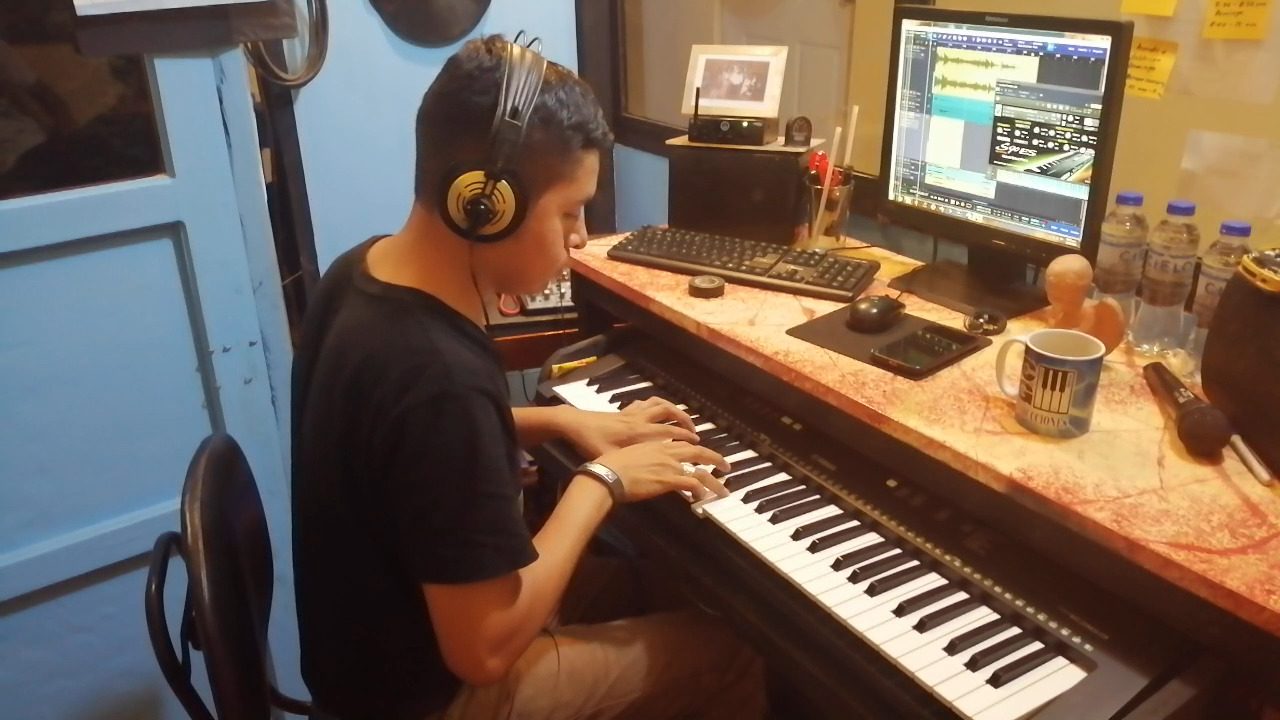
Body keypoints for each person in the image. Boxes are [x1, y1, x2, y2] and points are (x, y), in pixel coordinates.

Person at [290, 34, 768, 720]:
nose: (580, 238)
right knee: (729, 652)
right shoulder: (438, 374)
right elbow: (482, 653)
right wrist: (601, 484)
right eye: (570, 211)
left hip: (368, 654)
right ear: (485, 205)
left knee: (669, 591)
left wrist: (561, 419)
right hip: (425, 697)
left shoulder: (359, 275)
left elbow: (407, 439)